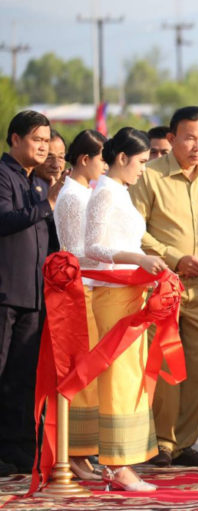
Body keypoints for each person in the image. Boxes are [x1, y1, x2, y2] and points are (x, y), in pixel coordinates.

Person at [130, 106, 198, 467]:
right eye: (190, 137)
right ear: (172, 138)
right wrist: (176, 258)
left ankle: (183, 443)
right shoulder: (148, 176)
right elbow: (135, 232)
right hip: (164, 289)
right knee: (165, 370)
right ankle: (161, 443)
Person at [85, 127, 169, 491]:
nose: (143, 170)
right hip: (112, 295)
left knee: (130, 378)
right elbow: (93, 247)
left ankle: (124, 460)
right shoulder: (104, 191)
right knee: (119, 380)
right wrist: (137, 258)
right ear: (121, 159)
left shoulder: (118, 191)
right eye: (141, 162)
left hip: (130, 294)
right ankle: (117, 464)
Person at [0, 110, 62, 475]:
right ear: (15, 139)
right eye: (37, 139)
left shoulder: (37, 183)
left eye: (46, 140)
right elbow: (4, 220)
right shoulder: (4, 176)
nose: (43, 146)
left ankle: (19, 450)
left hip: (34, 297)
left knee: (23, 379)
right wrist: (47, 204)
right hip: (6, 293)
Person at [54, 129, 108, 481]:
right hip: (79, 292)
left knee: (91, 375)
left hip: (92, 289)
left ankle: (84, 452)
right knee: (81, 376)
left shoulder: (83, 192)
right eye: (102, 158)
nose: (105, 165)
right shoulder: (73, 196)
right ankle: (73, 453)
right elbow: (77, 251)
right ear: (85, 160)